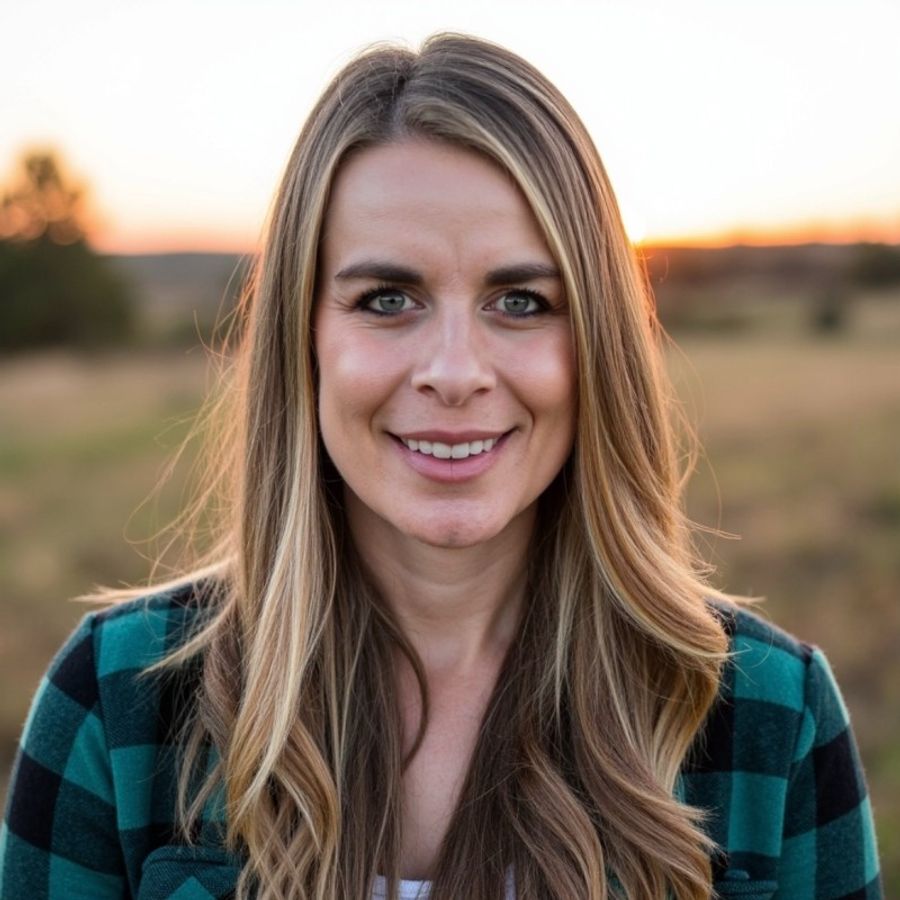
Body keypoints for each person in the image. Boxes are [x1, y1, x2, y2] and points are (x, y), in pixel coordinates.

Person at [0, 33, 882, 900]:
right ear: (302, 339)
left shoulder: (770, 716)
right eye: (387, 299)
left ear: (599, 346)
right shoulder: (116, 706)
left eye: (521, 301)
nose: (455, 372)